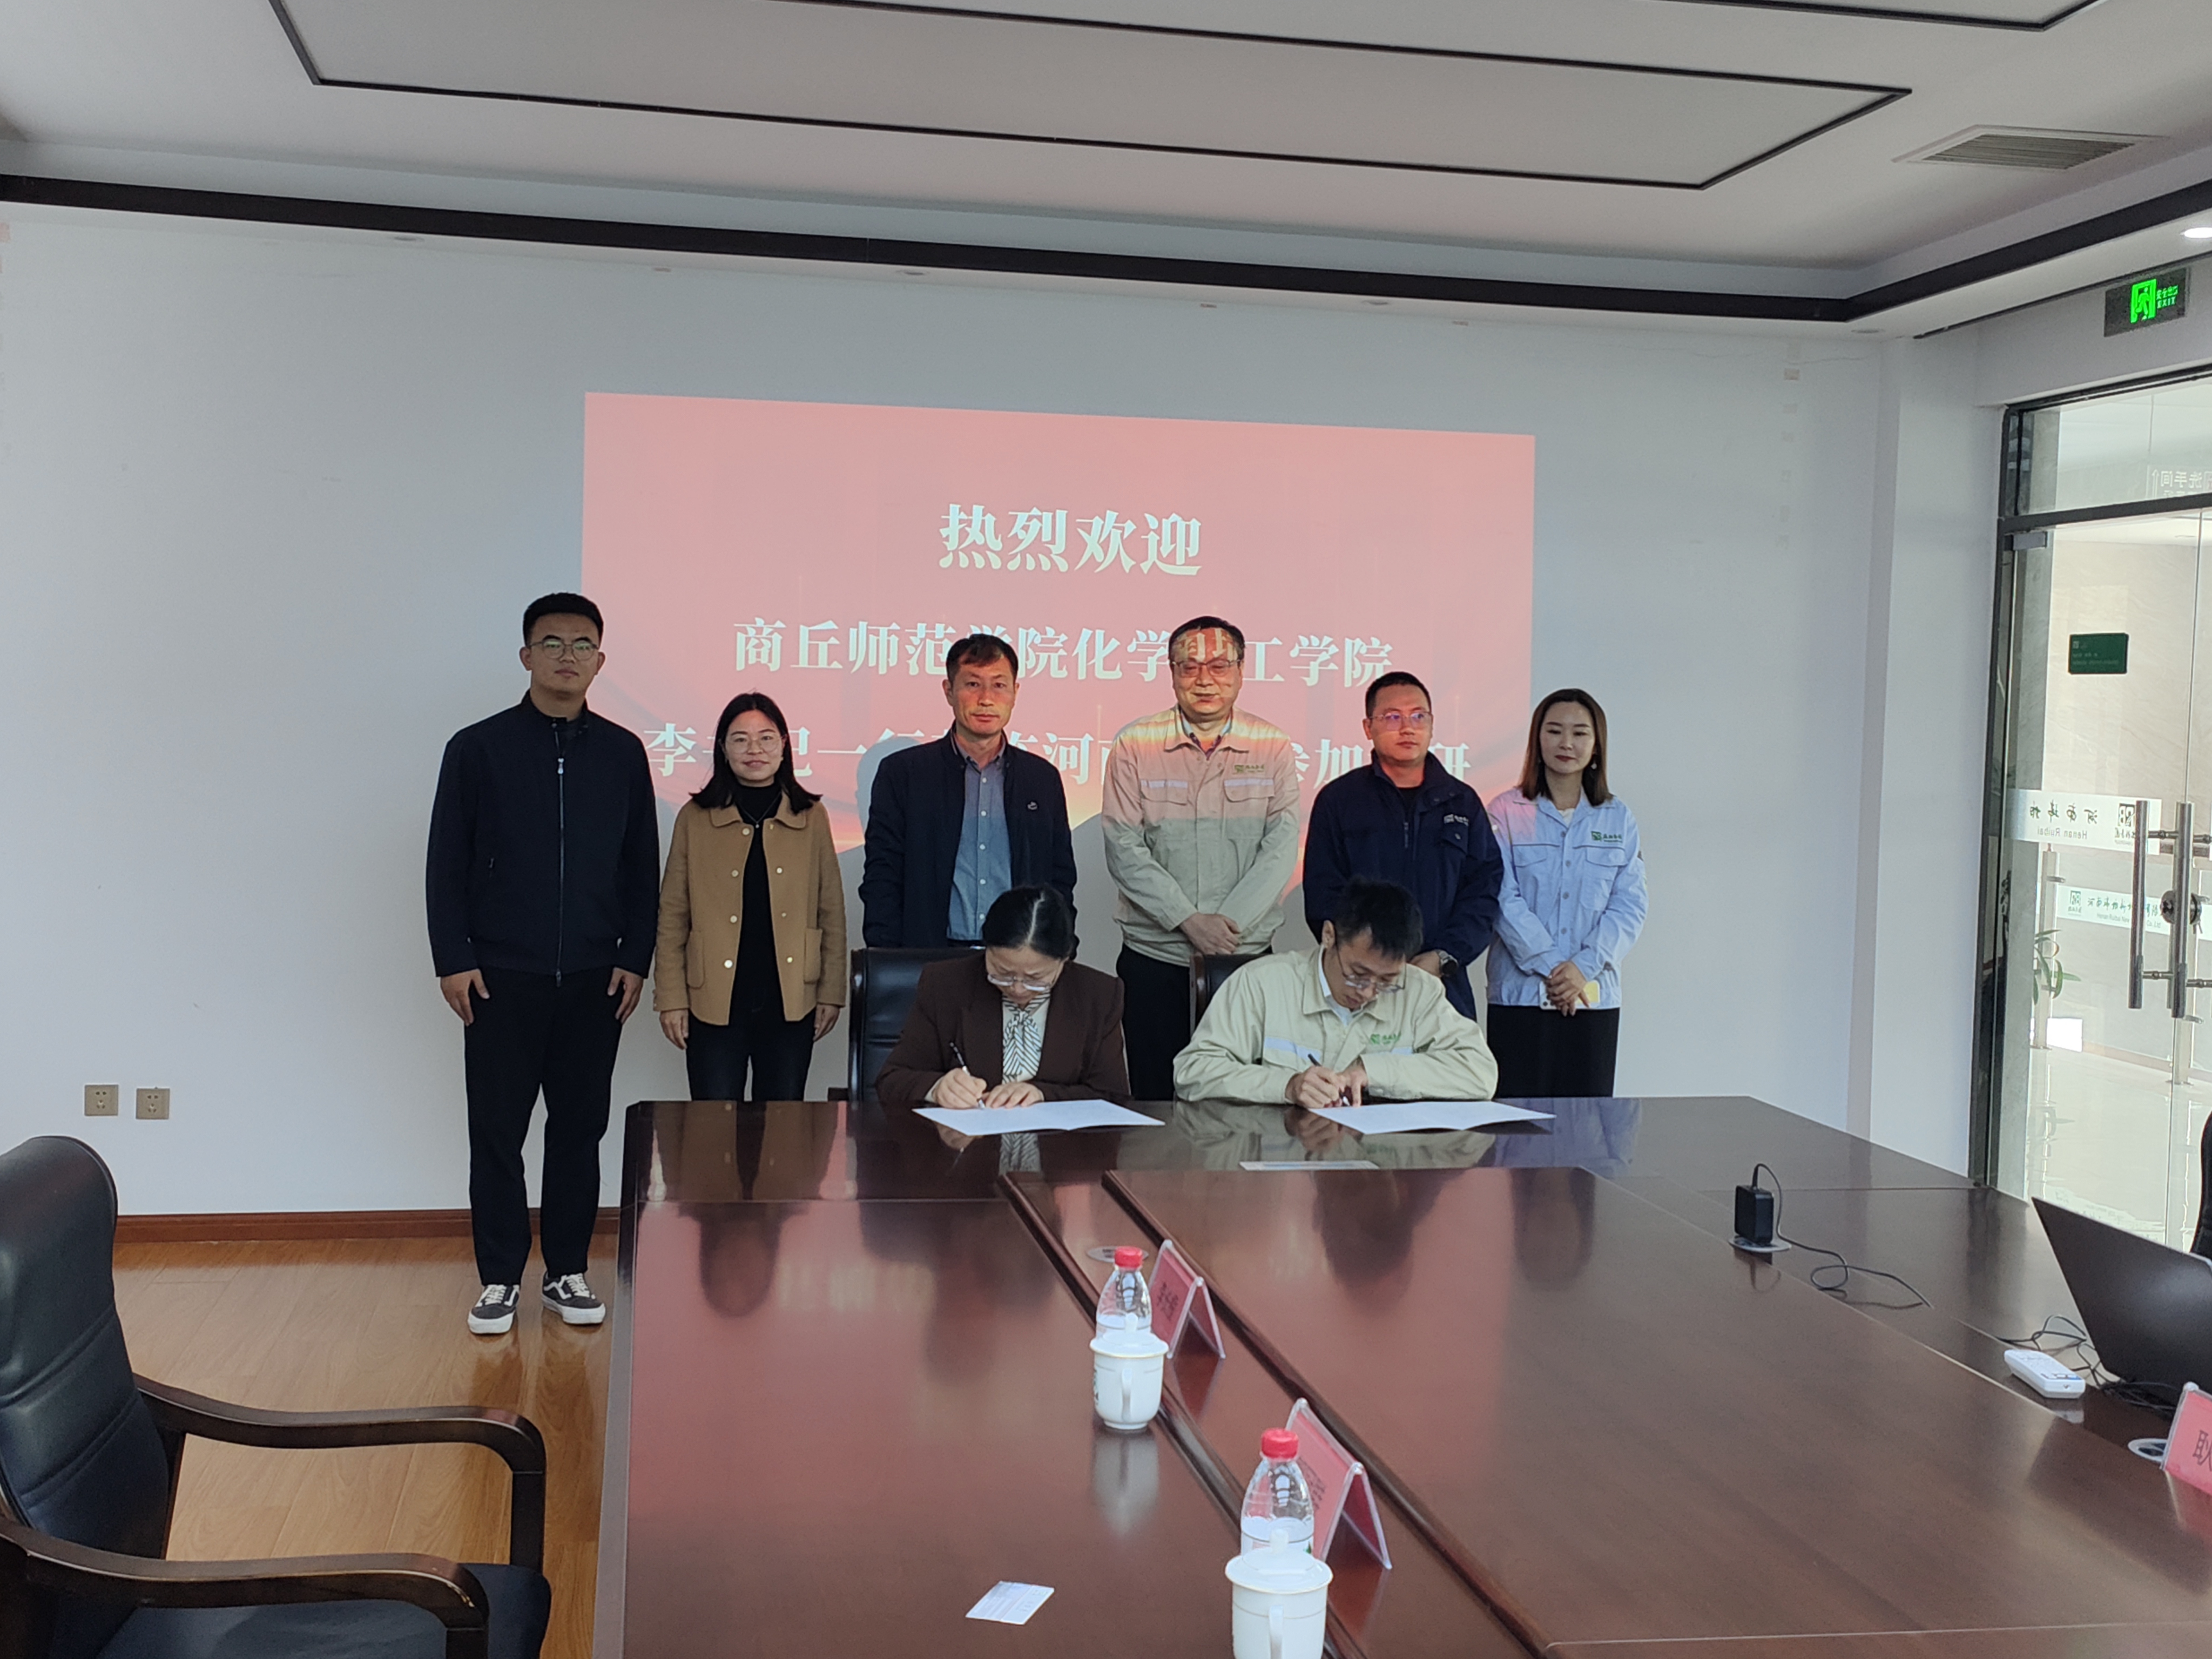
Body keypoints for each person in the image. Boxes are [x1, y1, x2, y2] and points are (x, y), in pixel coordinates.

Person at [426, 593, 658, 1336]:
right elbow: (446, 862)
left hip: (595, 978)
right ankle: (499, 1277)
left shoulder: (623, 753)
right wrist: (454, 958)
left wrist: (635, 957)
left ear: (600, 660)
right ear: (526, 656)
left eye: (582, 644)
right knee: (497, 1133)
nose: (567, 656)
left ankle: (566, 1271)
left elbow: (640, 867)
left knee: (578, 1131)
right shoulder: (478, 748)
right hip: (500, 977)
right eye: (552, 643)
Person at [1102, 616, 1300, 1099]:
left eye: (1219, 665)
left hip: (1244, 955)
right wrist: (1188, 920)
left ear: (1241, 670)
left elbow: (1281, 847)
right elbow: (1123, 846)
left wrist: (1228, 925)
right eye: (1189, 667)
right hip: (1157, 954)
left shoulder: (1271, 745)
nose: (1205, 679)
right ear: (1172, 673)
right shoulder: (1135, 743)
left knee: (1245, 1096)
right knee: (1157, 1095)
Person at [653, 692, 846, 1103]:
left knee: (783, 1123)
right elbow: (672, 914)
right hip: (714, 1000)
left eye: (766, 738)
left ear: (785, 746)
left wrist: (831, 992)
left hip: (791, 998)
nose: (754, 749)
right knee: (713, 1123)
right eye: (740, 739)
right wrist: (670, 998)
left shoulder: (811, 816)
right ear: (723, 749)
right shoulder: (695, 817)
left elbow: (831, 910)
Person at [1173, 878, 1496, 1105]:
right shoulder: (1262, 983)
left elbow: (1480, 1073)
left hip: (1381, 1164)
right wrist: (1287, 1086)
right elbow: (1194, 1072)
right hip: (1282, 1162)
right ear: (1329, 936)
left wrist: (1373, 1072)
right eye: (1358, 974)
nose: (1368, 992)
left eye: (1386, 980)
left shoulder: (1418, 990)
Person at [1303, 670, 1503, 1019]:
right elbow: (1323, 892)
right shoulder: (1340, 800)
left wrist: (1443, 957)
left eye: (1418, 716)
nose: (1407, 728)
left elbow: (1483, 892)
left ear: (1432, 724)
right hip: (1360, 985)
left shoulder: (1461, 801)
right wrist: (1373, 961)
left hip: (1442, 984)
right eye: (1392, 717)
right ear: (1368, 728)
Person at [860, 633, 1076, 947]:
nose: (986, 699)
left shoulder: (1041, 779)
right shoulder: (904, 773)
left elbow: (1060, 878)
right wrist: (888, 955)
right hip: (930, 954)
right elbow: (883, 875)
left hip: (1018, 956)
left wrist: (1058, 949)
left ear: (1015, 693)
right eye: (973, 684)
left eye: (999, 685)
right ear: (949, 691)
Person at [1486, 689, 1647, 1098]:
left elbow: (1630, 906)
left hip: (1592, 997)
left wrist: (1582, 969)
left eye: (1580, 733)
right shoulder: (1505, 811)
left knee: (1588, 1125)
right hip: (1520, 998)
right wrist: (1555, 967)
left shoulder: (1618, 817)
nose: (1566, 743)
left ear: (1596, 746)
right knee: (1516, 1126)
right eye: (1555, 731)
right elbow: (1502, 899)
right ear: (1537, 740)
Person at [874, 886, 1130, 1107]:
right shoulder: (946, 985)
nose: (1018, 989)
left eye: (1035, 978)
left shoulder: (1097, 996)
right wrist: (937, 1088)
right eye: (1003, 974)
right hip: (969, 1144)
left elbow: (1113, 1096)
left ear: (1064, 960)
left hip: (1060, 1147)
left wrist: (1043, 1094)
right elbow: (892, 1079)